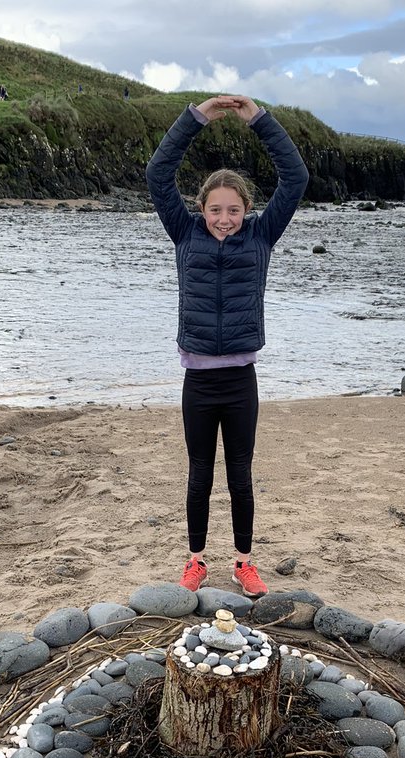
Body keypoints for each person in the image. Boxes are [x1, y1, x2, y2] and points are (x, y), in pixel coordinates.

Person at [146, 94, 308, 597]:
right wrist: (197, 117)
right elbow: (158, 172)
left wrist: (257, 119)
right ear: (201, 210)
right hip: (199, 378)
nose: (224, 218)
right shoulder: (184, 233)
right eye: (215, 210)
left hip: (240, 380)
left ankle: (243, 562)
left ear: (247, 210)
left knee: (240, 474)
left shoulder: (261, 237)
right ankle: (196, 561)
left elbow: (295, 177)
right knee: (199, 474)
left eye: (233, 210)